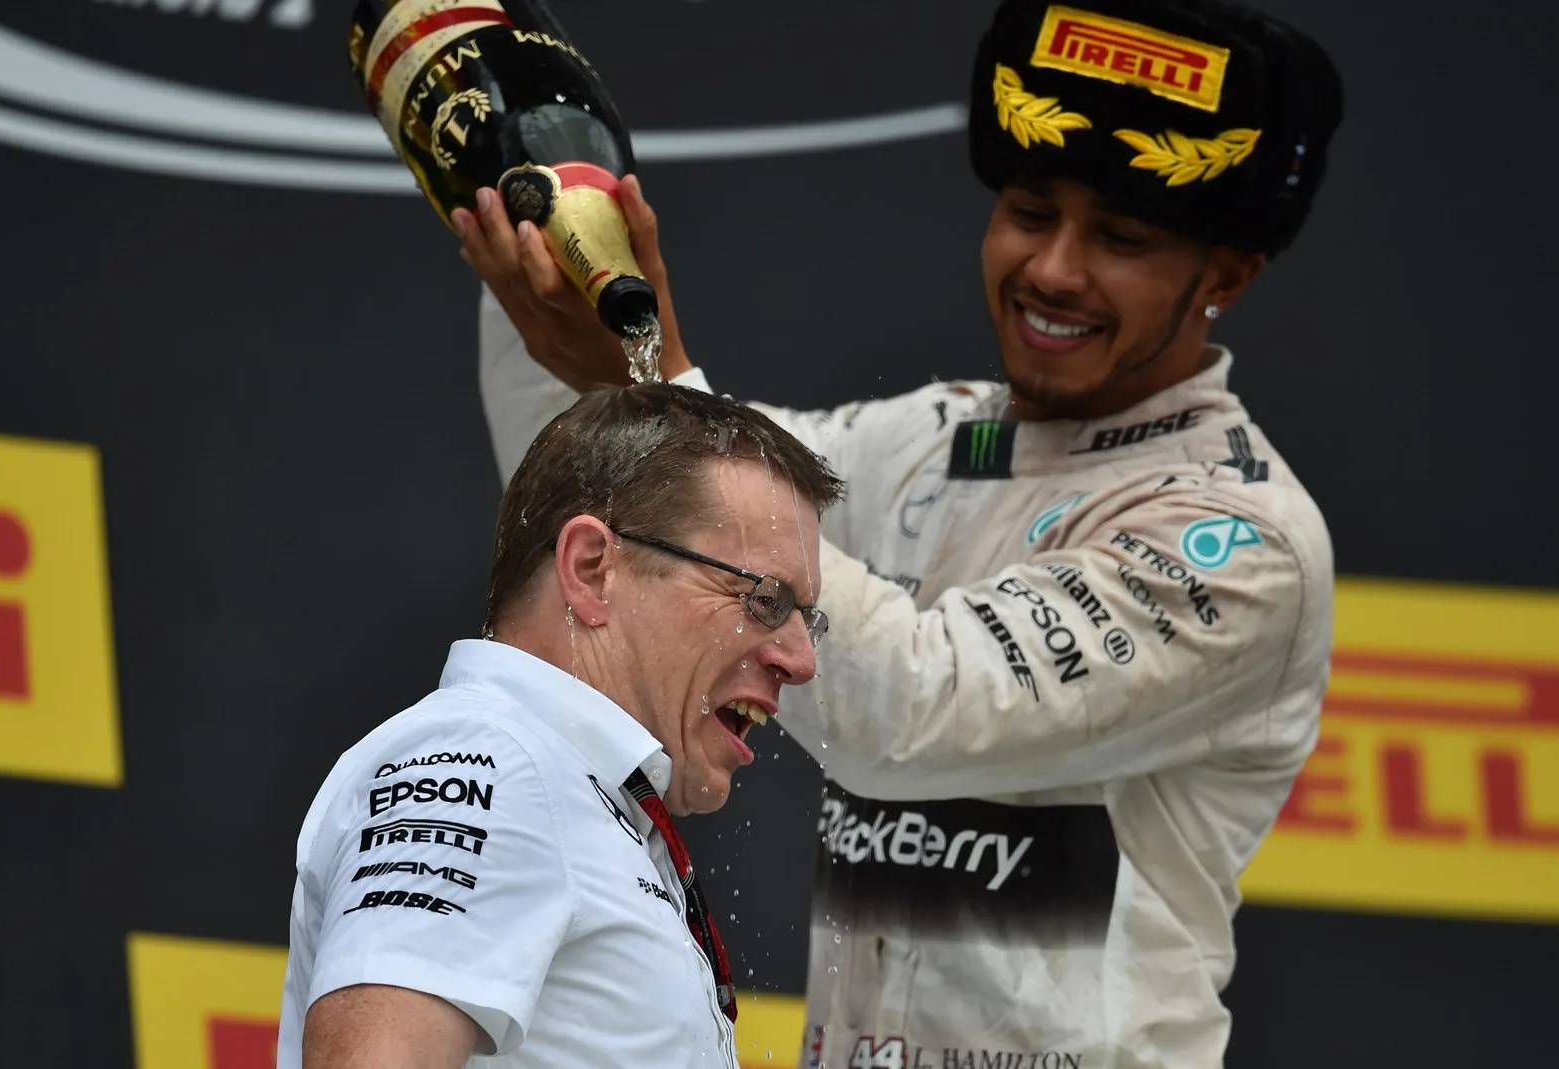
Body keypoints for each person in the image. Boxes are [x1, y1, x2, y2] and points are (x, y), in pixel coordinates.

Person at [454, 0, 1345, 1065]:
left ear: (1228, 276)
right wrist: (548, 253)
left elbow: (913, 712)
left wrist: (651, 378)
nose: (1054, 269)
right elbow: (598, 483)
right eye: (1027, 210)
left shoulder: (1240, 538)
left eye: (1121, 239)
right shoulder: (936, 439)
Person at [276, 384, 844, 1068]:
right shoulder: (492, 759)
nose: (801, 659)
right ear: (592, 568)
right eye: (765, 598)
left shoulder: (564, 784)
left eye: (803, 617)